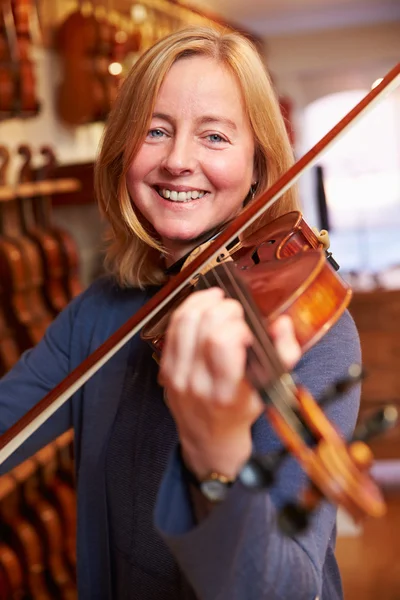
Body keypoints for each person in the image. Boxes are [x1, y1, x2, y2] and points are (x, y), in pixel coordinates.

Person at [0, 26, 361, 599]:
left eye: (214, 136)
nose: (177, 161)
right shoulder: (102, 310)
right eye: (155, 130)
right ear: (123, 149)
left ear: (259, 166)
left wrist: (217, 453)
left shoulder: (306, 330)